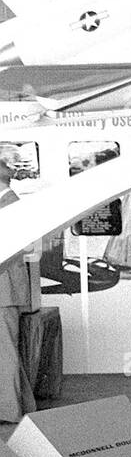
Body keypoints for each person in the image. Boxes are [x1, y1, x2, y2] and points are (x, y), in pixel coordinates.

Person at [0, 143, 37, 423]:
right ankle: (18, 404)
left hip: (5, 289)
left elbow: (22, 245)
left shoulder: (9, 201)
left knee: (6, 351)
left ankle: (11, 411)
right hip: (6, 288)